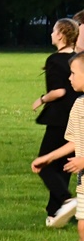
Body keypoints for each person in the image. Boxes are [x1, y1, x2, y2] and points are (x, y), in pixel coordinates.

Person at [31, 52, 84, 241]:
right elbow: (74, 141)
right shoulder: (79, 105)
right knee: (82, 229)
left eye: (73, 73)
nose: (69, 78)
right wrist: (48, 158)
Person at [32, 18, 80, 227]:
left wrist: (41, 99)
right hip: (78, 115)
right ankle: (55, 212)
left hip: (60, 117)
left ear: (60, 34)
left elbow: (58, 91)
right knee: (65, 165)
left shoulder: (54, 60)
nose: (51, 34)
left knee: (44, 163)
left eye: (54, 30)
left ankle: (67, 200)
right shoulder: (78, 58)